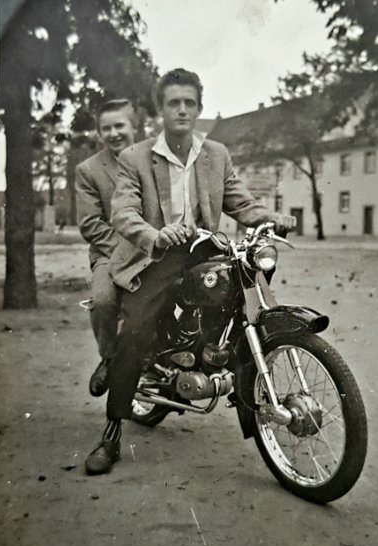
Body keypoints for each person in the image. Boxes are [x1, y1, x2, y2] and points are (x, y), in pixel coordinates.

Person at [84, 68, 296, 475]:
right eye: (173, 103)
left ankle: (218, 365)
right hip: (156, 255)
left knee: (242, 292)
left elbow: (242, 204)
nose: (182, 110)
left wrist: (272, 217)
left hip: (203, 249)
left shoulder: (216, 153)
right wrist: (155, 234)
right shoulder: (135, 157)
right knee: (136, 328)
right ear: (161, 111)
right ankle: (112, 431)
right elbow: (123, 213)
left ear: (198, 108)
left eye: (189, 103)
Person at [76, 99, 136, 398]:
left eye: (119, 126)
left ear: (134, 126)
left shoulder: (156, 160)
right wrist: (129, 252)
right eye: (106, 128)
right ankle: (110, 358)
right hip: (110, 253)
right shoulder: (89, 170)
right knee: (103, 300)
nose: (114, 133)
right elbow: (90, 224)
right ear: (99, 133)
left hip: (158, 249)